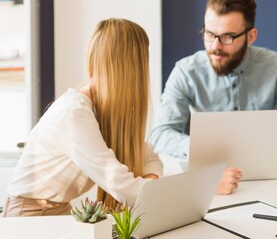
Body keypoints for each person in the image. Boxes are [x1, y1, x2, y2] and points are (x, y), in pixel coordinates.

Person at [150, 0, 277, 194]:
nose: (215, 46)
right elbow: (160, 135)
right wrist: (202, 148)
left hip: (273, 183)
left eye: (227, 36)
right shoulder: (185, 71)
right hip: (211, 185)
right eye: (209, 34)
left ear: (251, 36)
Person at [3, 18, 162, 217]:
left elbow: (149, 154)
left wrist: (153, 179)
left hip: (56, 210)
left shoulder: (97, 111)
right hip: (31, 214)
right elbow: (121, 185)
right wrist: (158, 189)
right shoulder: (75, 113)